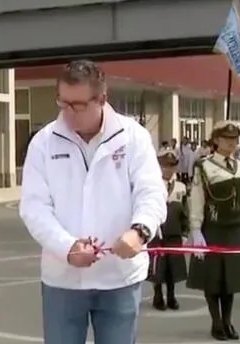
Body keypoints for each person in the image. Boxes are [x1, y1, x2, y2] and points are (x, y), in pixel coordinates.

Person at [19, 60, 167, 344]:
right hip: (62, 279)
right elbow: (34, 207)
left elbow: (150, 192)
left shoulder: (133, 137)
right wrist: (68, 247)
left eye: (78, 105)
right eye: (63, 103)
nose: (69, 113)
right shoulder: (44, 142)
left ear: (102, 98)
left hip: (120, 278)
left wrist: (140, 231)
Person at [186, 121, 240, 341]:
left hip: (235, 230)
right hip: (213, 229)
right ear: (216, 141)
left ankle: (228, 321)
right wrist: (196, 230)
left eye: (234, 139)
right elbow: (196, 199)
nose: (231, 143)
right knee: (213, 279)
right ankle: (216, 323)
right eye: (226, 139)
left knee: (231, 280)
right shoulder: (204, 166)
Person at [148, 148, 189, 311]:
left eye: (172, 166)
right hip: (157, 234)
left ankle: (171, 296)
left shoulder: (181, 187)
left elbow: (185, 211)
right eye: (165, 165)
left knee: (173, 267)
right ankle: (158, 296)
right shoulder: (153, 185)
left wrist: (185, 232)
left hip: (174, 233)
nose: (168, 169)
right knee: (158, 267)